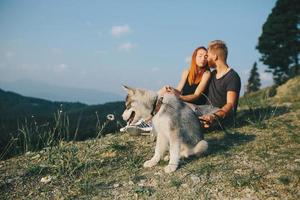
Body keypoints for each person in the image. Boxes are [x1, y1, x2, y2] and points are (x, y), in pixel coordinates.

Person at [121, 46, 212, 134]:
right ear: (194, 57)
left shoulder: (206, 73)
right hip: (183, 100)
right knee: (163, 92)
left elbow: (196, 95)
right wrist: (170, 89)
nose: (203, 59)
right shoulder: (186, 72)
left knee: (167, 101)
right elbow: (179, 89)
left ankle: (149, 123)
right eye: (200, 56)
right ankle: (140, 120)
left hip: (195, 105)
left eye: (205, 56)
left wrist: (179, 97)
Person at [196, 40, 241, 128]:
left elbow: (230, 105)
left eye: (207, 56)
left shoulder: (232, 76)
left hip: (219, 117)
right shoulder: (212, 74)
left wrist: (214, 116)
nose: (206, 59)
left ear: (215, 57)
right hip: (205, 110)